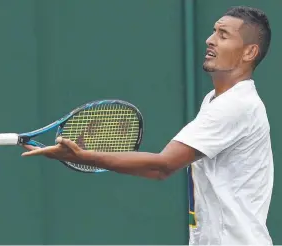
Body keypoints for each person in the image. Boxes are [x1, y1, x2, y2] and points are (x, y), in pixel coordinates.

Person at [22, 6, 273, 245]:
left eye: (223, 35)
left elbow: (161, 167)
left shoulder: (234, 106)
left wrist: (83, 156)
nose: (210, 39)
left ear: (249, 52)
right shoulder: (218, 101)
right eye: (213, 31)